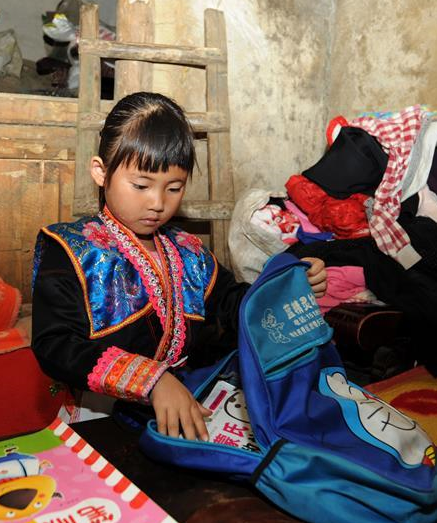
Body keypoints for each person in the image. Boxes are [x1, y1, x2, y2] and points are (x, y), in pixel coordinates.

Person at [32, 92, 327, 442]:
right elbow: (56, 345)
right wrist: (151, 380)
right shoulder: (71, 249)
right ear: (101, 172)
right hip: (99, 415)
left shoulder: (188, 251)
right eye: (141, 185)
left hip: (187, 404)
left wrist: (289, 286)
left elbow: (234, 303)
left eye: (174, 188)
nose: (158, 203)